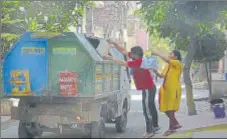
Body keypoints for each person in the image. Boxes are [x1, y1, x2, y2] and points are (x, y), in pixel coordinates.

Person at [104, 40, 160, 138]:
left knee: (147, 110)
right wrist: (114, 43)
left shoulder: (139, 62)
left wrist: (110, 58)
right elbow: (124, 51)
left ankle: (150, 131)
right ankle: (155, 126)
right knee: (149, 108)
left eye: (132, 54)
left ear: (136, 55)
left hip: (148, 89)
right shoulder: (137, 59)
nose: (130, 55)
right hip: (148, 88)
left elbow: (123, 63)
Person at [151, 50, 183, 136]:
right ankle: (175, 123)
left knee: (170, 108)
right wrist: (155, 71)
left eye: (171, 54)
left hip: (173, 89)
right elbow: (162, 76)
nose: (169, 55)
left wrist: (157, 53)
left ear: (176, 57)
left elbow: (166, 60)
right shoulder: (167, 66)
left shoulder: (177, 63)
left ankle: (171, 128)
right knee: (165, 108)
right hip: (165, 89)